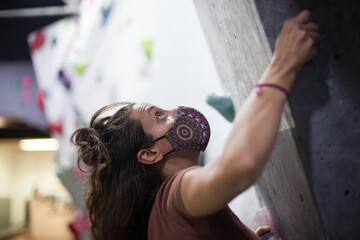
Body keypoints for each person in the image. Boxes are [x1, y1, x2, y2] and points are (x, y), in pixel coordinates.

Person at [71, 9, 319, 240]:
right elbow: (241, 165)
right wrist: (283, 63)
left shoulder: (162, 216)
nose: (175, 112)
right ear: (149, 153)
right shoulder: (177, 192)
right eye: (158, 116)